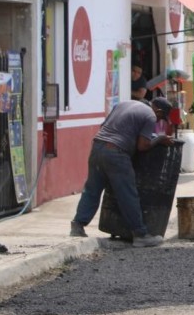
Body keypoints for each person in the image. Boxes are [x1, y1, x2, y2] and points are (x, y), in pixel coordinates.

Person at [69, 97, 177, 246]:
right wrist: (159, 139)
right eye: (160, 117)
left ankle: (77, 225)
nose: (158, 121)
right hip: (116, 153)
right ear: (158, 110)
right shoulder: (150, 116)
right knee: (127, 193)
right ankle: (140, 235)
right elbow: (142, 146)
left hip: (97, 147)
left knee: (92, 189)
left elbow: (105, 126)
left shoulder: (124, 104)